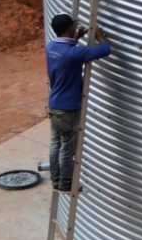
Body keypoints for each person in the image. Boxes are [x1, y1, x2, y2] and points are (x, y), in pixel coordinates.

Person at [45, 13, 114, 191]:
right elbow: (105, 50)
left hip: (54, 104)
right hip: (68, 108)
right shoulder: (73, 53)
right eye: (73, 27)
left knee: (55, 143)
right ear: (68, 28)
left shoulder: (51, 47)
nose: (75, 28)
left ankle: (56, 180)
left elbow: (68, 52)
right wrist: (99, 36)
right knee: (68, 147)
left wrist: (75, 38)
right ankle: (66, 184)